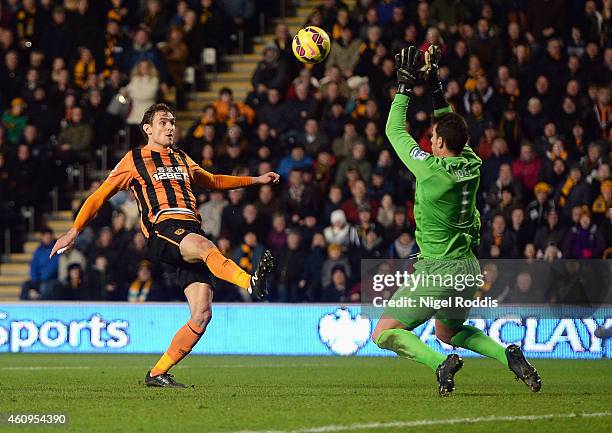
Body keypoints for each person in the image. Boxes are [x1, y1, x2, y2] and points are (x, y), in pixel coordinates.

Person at [50, 103, 279, 388]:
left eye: (172, 122)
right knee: (205, 246)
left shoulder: (182, 157)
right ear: (147, 129)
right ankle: (249, 282)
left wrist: (255, 179)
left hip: (189, 230)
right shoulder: (133, 159)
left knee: (202, 314)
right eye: (163, 122)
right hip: (163, 229)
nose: (170, 127)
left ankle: (157, 373)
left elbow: (214, 180)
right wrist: (74, 230)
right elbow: (99, 197)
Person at [371, 46, 541, 396]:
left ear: (440, 146)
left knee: (384, 333)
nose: (428, 140)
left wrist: (403, 87)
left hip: (439, 269)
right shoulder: (472, 163)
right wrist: (435, 91)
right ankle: (505, 354)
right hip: (467, 267)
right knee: (448, 332)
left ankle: (439, 364)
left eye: (432, 139)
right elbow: (452, 128)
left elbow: (393, 130)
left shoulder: (431, 171)